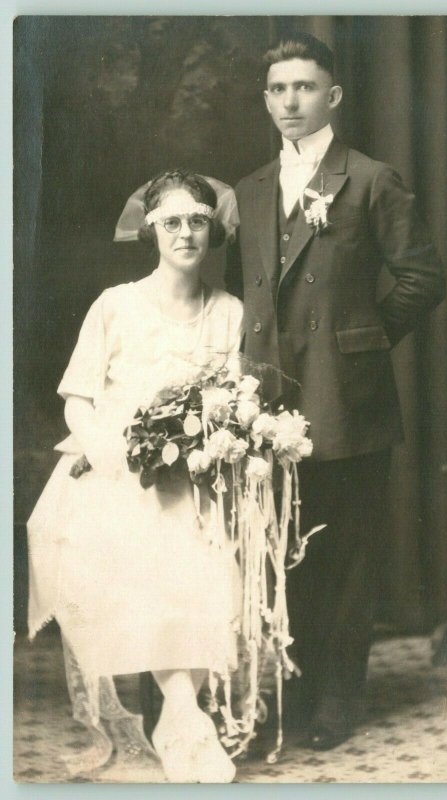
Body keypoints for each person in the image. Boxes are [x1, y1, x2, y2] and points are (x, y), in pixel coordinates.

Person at [225, 33, 446, 751]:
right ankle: (290, 692)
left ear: (333, 96)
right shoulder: (253, 189)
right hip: (266, 404)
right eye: (278, 89)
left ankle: (336, 702)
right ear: (266, 99)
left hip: (345, 400)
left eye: (304, 87)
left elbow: (421, 276)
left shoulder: (369, 179)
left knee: (344, 554)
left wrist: (360, 342)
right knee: (280, 551)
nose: (290, 101)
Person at [27, 170, 243, 783]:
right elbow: (77, 399)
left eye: (197, 221)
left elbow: (232, 401)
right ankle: (186, 720)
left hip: (193, 474)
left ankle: (179, 719)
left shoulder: (229, 313)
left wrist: (211, 450)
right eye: (171, 222)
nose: (185, 233)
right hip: (114, 471)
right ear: (151, 231)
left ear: (213, 229)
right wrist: (110, 455)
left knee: (203, 557)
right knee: (145, 546)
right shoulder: (116, 305)